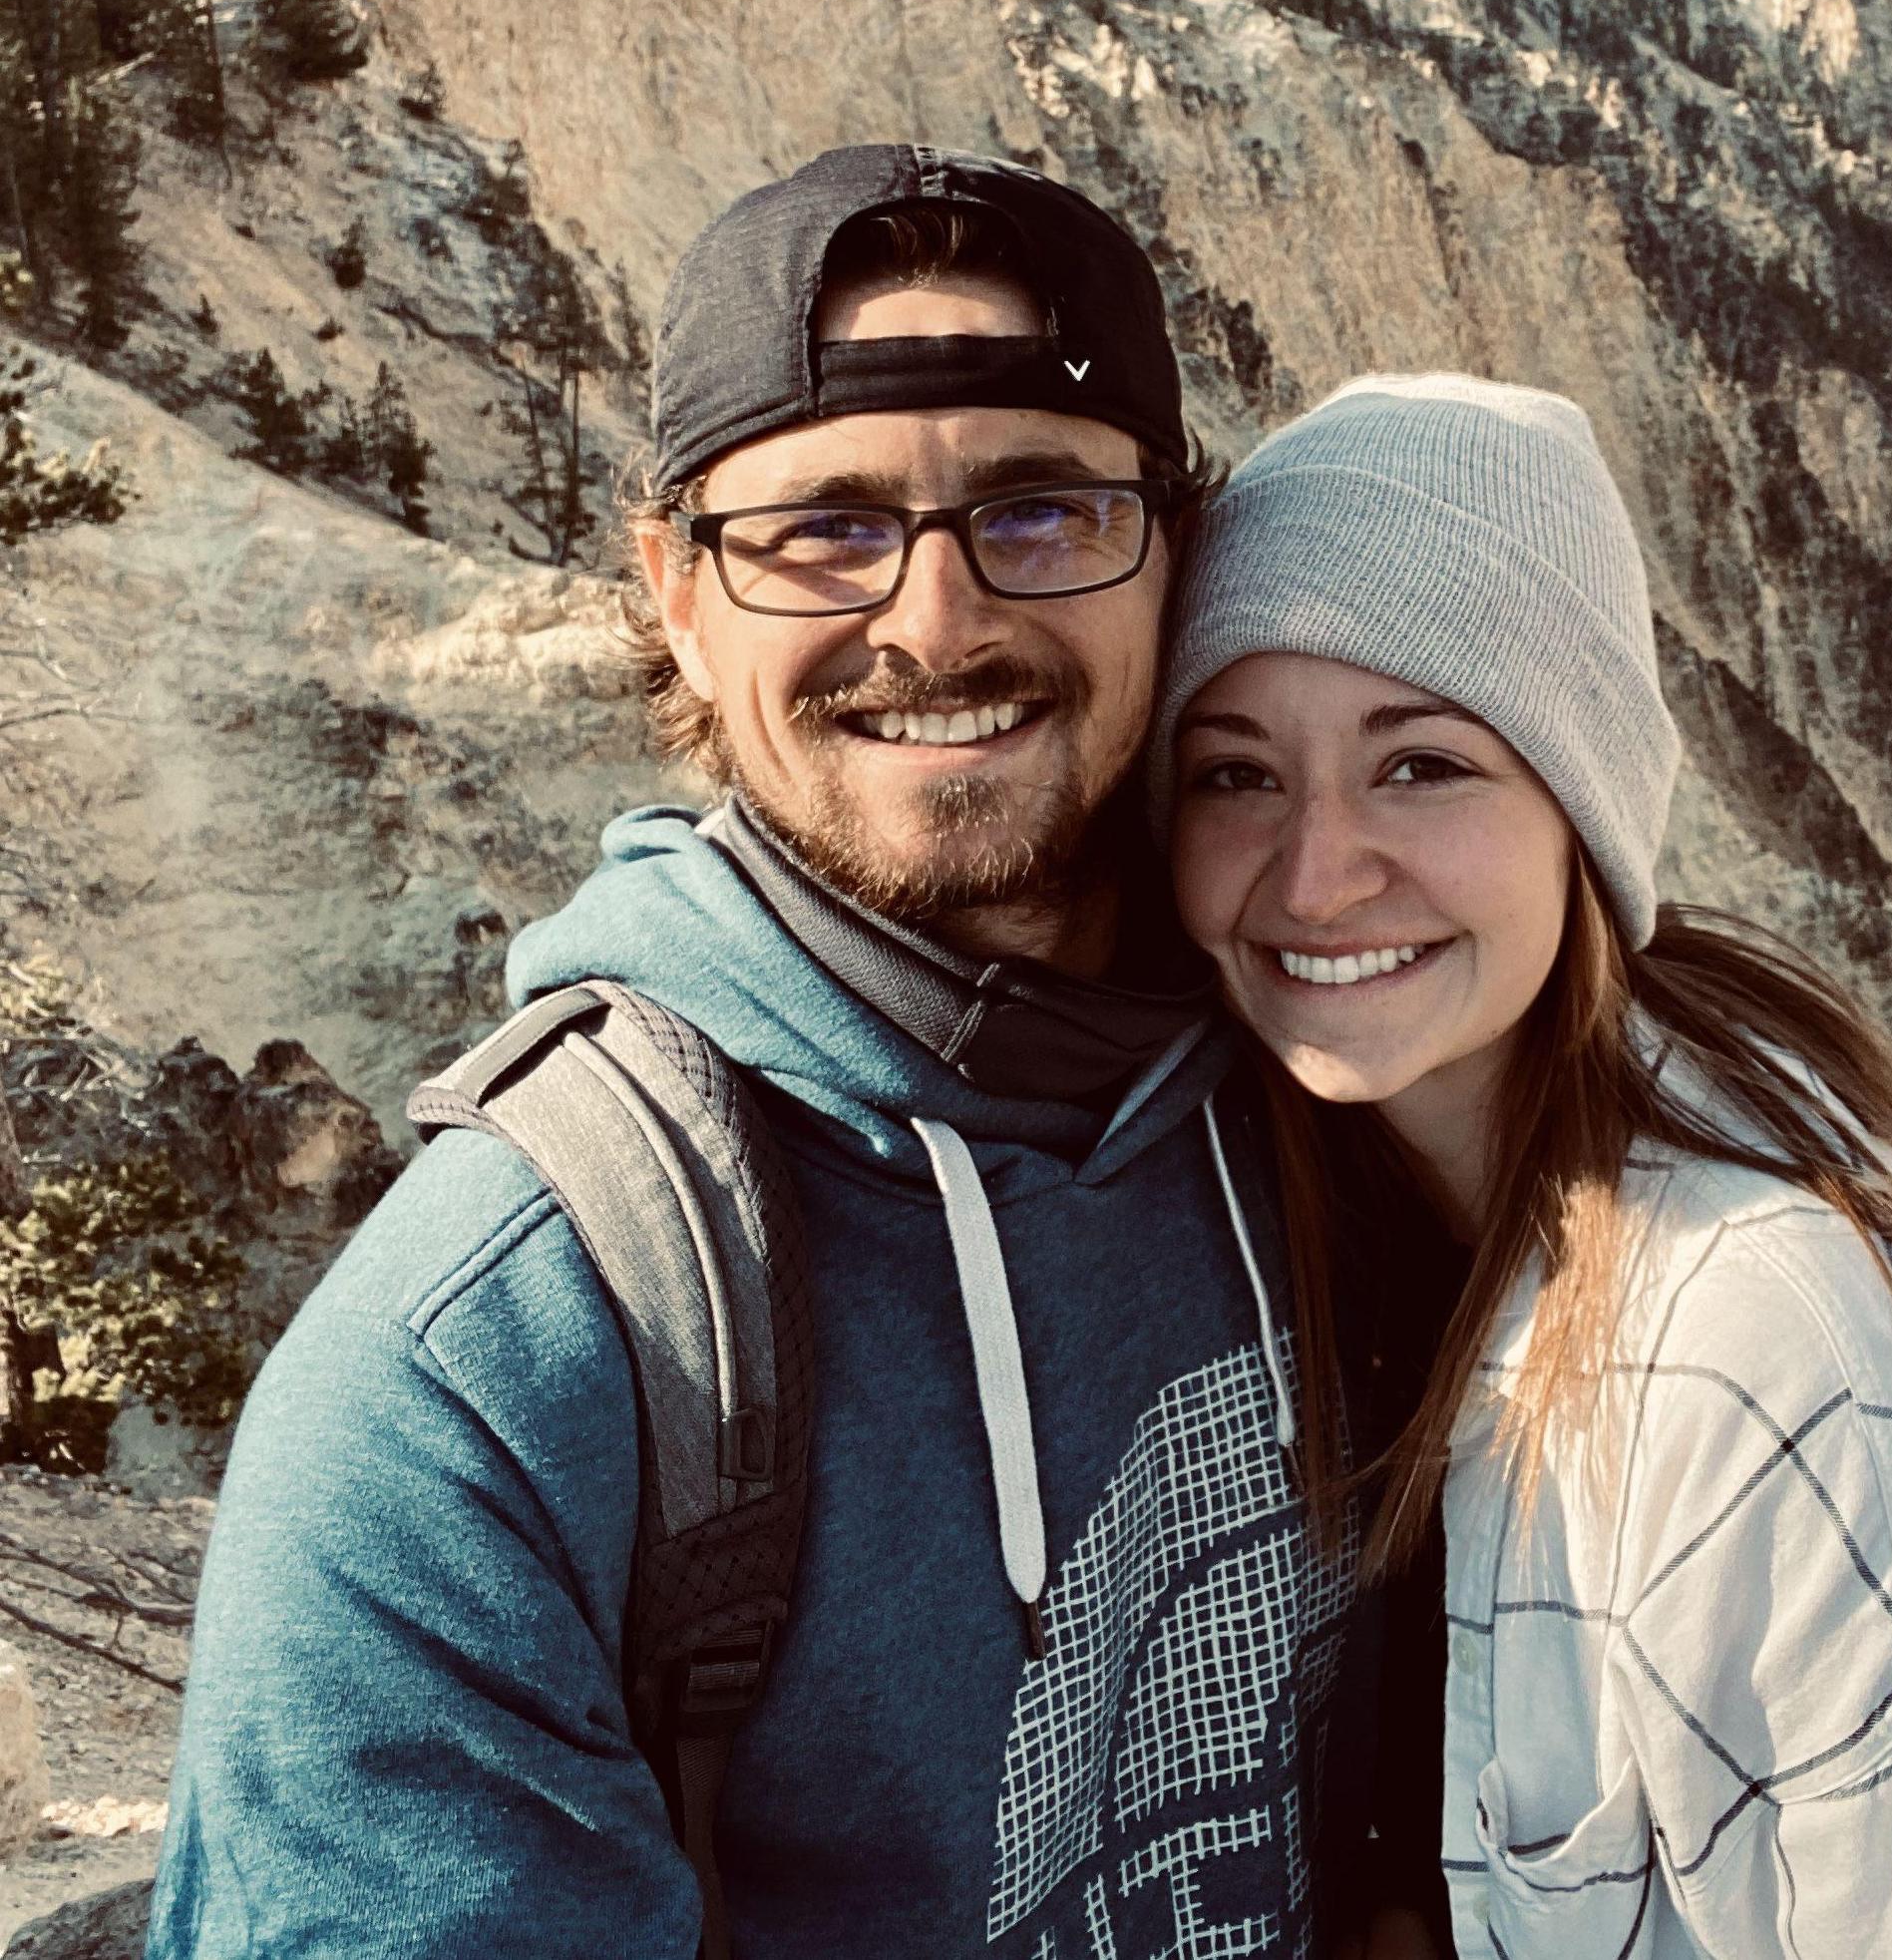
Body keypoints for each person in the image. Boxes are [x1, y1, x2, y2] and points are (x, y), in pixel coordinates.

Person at [152, 147, 1369, 1960]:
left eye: (1043, 509)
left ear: (1171, 554)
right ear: (676, 592)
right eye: (826, 529)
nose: (938, 621)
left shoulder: (1328, 1087)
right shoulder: (482, 1381)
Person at [1154, 374, 1892, 1960]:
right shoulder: (1318, 1209)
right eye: (1236, 772)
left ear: (1582, 813)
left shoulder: (1779, 1358)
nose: (1314, 869)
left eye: (1421, 764)